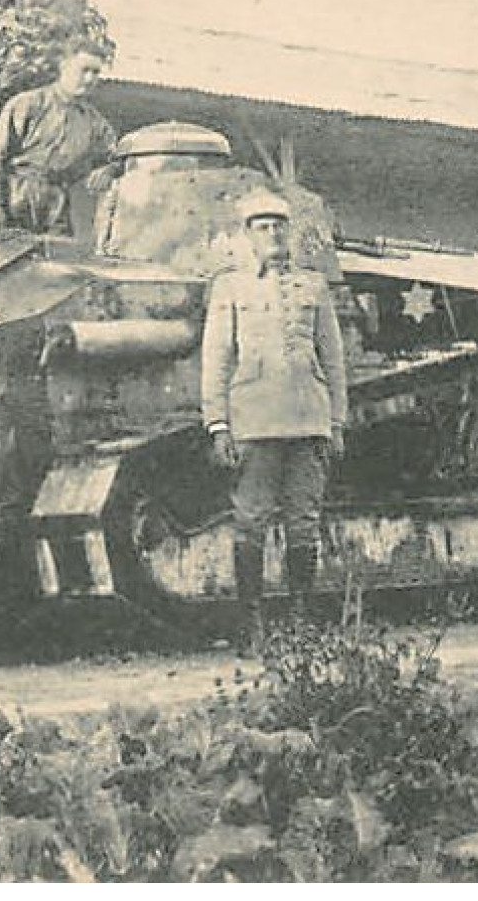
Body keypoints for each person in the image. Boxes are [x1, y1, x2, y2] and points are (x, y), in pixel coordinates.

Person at [201, 189, 347, 647]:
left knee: (304, 520)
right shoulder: (230, 288)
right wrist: (218, 425)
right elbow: (217, 359)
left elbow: (334, 357)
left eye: (279, 225)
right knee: (252, 521)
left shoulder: (313, 285)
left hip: (307, 419)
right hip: (254, 421)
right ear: (248, 236)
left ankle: (302, 620)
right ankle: (253, 625)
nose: (273, 233)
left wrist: (336, 422)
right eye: (262, 227)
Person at [0, 42, 118, 237]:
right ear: (64, 66)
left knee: (59, 261)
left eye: (95, 72)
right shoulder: (29, 104)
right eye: (84, 70)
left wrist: (109, 169)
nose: (90, 78)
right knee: (10, 260)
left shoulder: (94, 122)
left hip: (56, 203)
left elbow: (116, 156)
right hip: (16, 197)